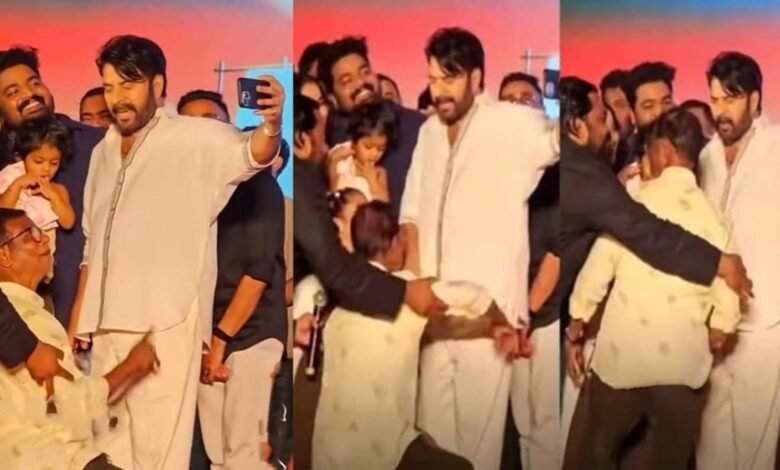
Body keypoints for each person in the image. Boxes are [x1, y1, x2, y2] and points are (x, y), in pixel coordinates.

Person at [66, 35, 285, 470]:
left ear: (158, 84)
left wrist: (273, 123)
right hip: (104, 330)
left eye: (128, 85)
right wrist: (78, 323)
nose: (117, 98)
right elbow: (93, 243)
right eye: (109, 87)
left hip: (163, 326)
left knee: (158, 458)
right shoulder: (102, 151)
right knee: (107, 454)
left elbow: (254, 154)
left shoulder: (195, 137)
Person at [558, 75, 752, 466]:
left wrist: (578, 319)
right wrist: (719, 328)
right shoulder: (716, 220)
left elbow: (599, 266)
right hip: (682, 371)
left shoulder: (635, 201)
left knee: (590, 454)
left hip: (621, 362)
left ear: (662, 152)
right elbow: (729, 292)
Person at [402, 28, 558, 470]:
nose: (439, 91)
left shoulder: (512, 123)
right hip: (434, 316)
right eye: (433, 79)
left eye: (450, 79)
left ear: (476, 77)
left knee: (478, 451)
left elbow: (559, 141)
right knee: (433, 447)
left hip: (488, 318)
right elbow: (411, 216)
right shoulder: (429, 132)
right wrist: (416, 290)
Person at [313, 201, 516, 470]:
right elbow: (473, 295)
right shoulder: (406, 292)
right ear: (393, 242)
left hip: (326, 455)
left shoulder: (338, 305)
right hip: (380, 453)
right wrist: (501, 321)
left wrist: (484, 328)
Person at [0, 209, 159, 470]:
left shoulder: (25, 313)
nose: (44, 239)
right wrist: (130, 367)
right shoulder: (26, 318)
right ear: (3, 255)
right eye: (30, 235)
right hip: (53, 458)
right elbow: (67, 405)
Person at [697, 51, 780, 470]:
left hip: (764, 322)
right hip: (712, 324)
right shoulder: (706, 155)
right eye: (714, 100)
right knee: (709, 447)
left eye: (730, 99)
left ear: (755, 99)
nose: (721, 111)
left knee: (753, 452)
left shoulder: (777, 148)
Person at [198, 150, 287, 469]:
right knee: (219, 456)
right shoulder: (206, 191)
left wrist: (219, 342)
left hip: (251, 334)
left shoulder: (262, 188)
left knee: (245, 456)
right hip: (208, 337)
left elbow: (258, 273)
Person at [318, 36, 426, 215]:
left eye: (365, 72)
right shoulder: (329, 146)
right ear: (331, 97)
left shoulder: (417, 127)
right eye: (347, 81)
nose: (361, 82)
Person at [0, 118, 75, 284]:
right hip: (10, 261)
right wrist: (17, 186)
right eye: (38, 162)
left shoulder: (58, 190)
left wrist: (53, 196)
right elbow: (2, 210)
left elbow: (68, 222)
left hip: (40, 264)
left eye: (54, 163)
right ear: (21, 158)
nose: (46, 169)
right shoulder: (11, 179)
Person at [328, 101, 396, 201]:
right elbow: (332, 191)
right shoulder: (342, 161)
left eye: (380, 149)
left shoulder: (379, 173)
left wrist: (372, 181)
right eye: (368, 147)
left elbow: (383, 204)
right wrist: (333, 164)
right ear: (353, 141)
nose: (374, 154)